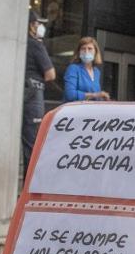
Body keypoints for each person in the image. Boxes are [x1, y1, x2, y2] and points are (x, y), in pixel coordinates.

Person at [21, 9, 55, 175]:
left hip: (22, 93)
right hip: (34, 94)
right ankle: (30, 186)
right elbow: (50, 74)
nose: (39, 27)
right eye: (37, 24)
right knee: (33, 145)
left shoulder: (21, 44)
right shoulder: (35, 44)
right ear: (31, 26)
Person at [63, 36, 111, 102]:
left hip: (90, 110)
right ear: (79, 52)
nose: (86, 51)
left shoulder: (96, 72)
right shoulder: (73, 68)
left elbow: (96, 96)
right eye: (83, 49)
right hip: (75, 110)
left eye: (90, 49)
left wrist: (103, 98)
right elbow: (70, 94)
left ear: (95, 52)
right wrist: (95, 95)